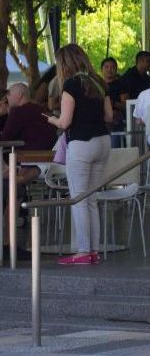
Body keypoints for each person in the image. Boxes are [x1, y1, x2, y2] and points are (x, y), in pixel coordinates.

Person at [48, 44, 111, 266]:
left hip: (82, 144)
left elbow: (65, 122)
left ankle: (84, 251)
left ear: (64, 64)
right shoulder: (99, 82)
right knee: (91, 199)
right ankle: (94, 250)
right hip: (103, 142)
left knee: (79, 199)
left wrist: (52, 120)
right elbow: (109, 116)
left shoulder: (71, 85)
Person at [0, 82, 53, 262]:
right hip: (48, 163)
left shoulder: (18, 112)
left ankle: (8, 243)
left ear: (20, 96)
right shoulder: (42, 110)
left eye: (9, 94)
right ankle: (8, 243)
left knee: (12, 188)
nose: (6, 98)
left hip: (27, 162)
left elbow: (5, 138)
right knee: (14, 188)